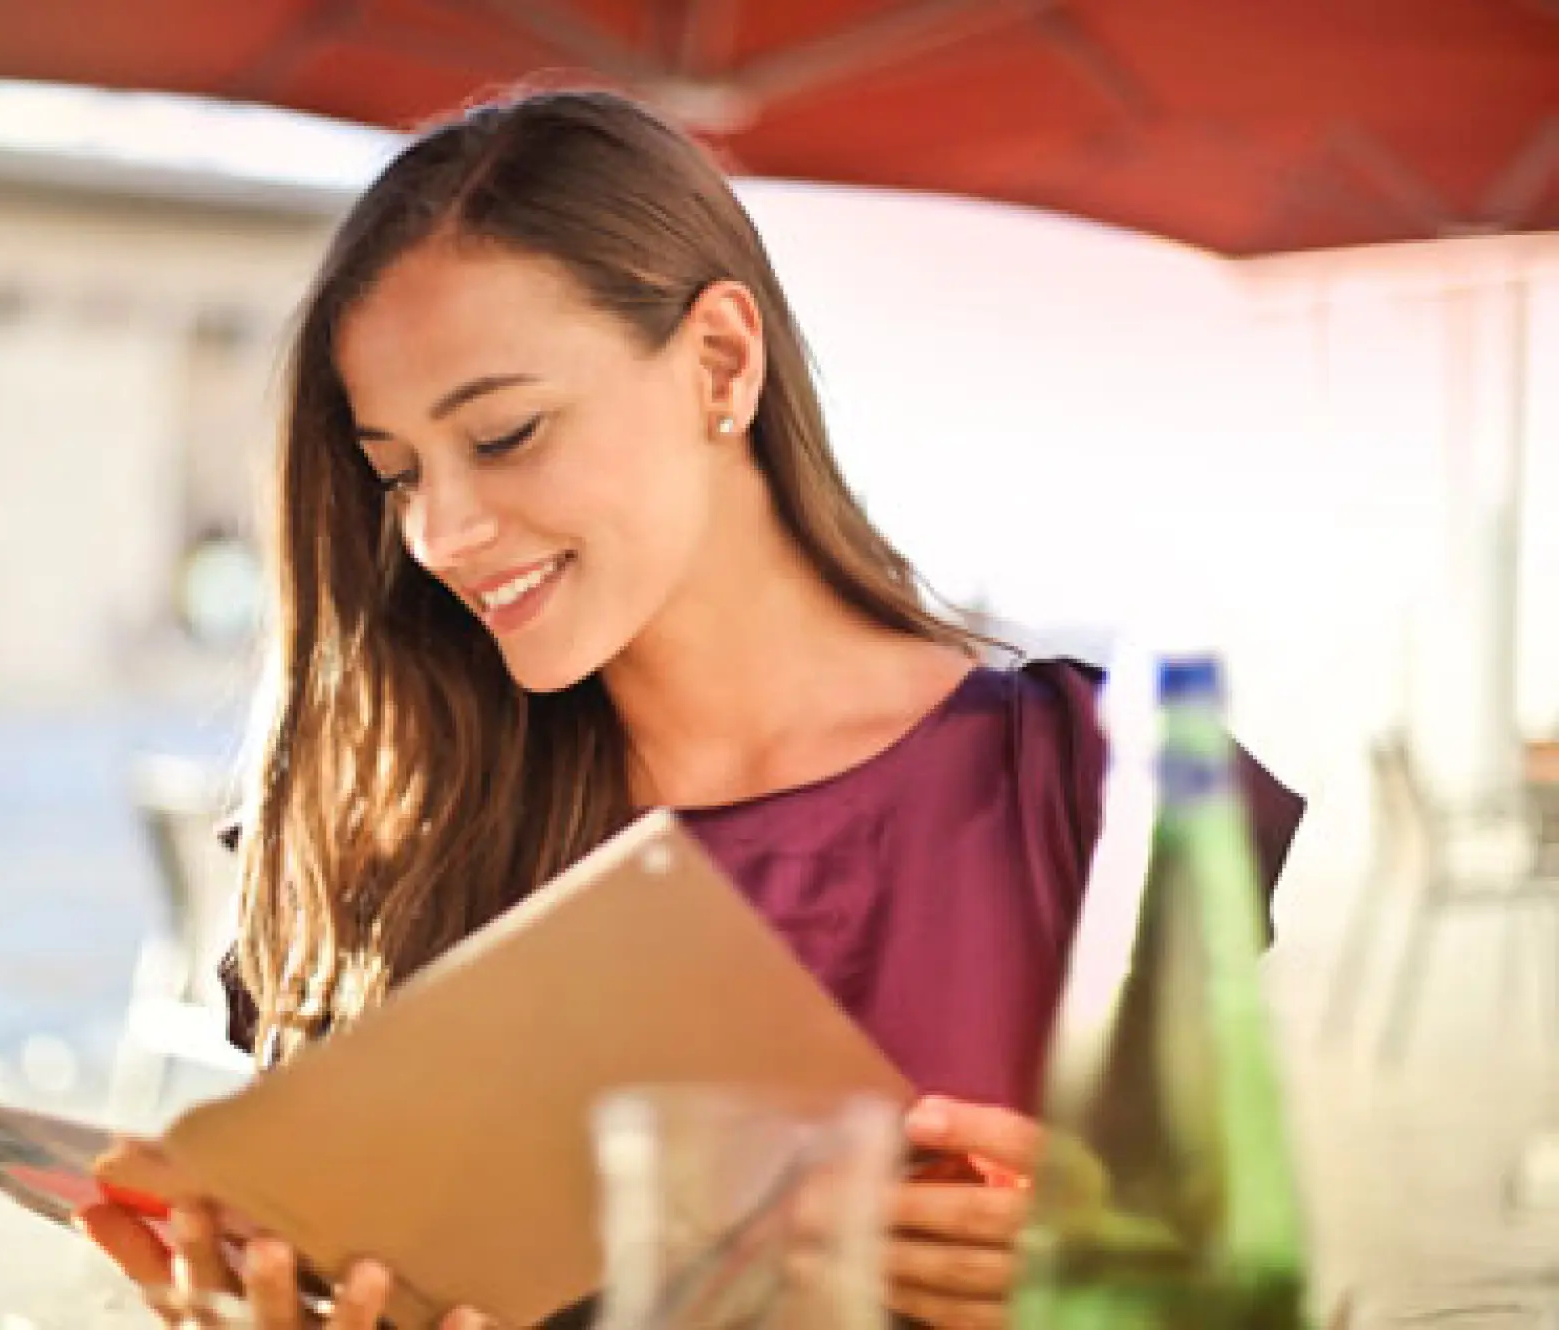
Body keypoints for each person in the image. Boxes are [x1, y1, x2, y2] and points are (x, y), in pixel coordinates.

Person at [77, 87, 1303, 1330]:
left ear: (720, 361)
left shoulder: (1091, 794)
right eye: (395, 474)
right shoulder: (387, 838)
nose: (439, 534)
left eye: (503, 434)